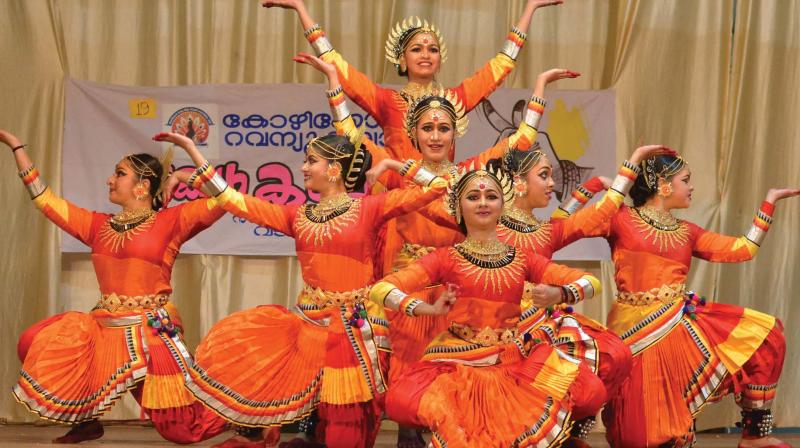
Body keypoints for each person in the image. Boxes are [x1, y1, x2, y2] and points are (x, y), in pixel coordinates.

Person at [173, 127, 449, 448]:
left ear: (334, 169)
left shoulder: (369, 208)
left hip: (353, 335)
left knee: (349, 430)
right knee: (312, 417)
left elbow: (439, 185)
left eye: (311, 161)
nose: (303, 168)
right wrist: (194, 152)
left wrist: (392, 165)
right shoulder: (297, 216)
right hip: (308, 329)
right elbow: (234, 200)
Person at [3, 129, 228, 444]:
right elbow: (45, 200)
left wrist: (186, 175)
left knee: (182, 431)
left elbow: (225, 198)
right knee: (33, 341)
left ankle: (249, 416)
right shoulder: (98, 226)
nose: (110, 180)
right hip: (103, 331)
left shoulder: (172, 222)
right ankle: (86, 421)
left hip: (148, 335)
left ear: (142, 186)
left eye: (119, 174)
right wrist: (16, 146)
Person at [370, 164, 607, 447]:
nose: (482, 202)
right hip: (459, 364)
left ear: (503, 204)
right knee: (402, 401)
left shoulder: (522, 259)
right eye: (473, 197)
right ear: (458, 208)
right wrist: (426, 309)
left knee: (589, 390)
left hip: (510, 360)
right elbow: (382, 289)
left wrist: (561, 294)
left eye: (491, 196)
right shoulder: (447, 258)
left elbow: (591, 283)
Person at [600, 153, 799, 448]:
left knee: (768, 337)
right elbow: (568, 226)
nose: (691, 188)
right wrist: (605, 185)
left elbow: (742, 249)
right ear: (663, 185)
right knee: (642, 437)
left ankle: (755, 436)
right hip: (637, 333)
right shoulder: (621, 220)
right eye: (686, 181)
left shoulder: (687, 232)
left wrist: (769, 202)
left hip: (677, 328)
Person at [265, 0, 564, 161]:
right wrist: (301, 9)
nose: (425, 54)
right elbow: (338, 67)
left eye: (432, 49)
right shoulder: (385, 100)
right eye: (417, 49)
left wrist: (529, 9)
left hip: (443, 197)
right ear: (401, 59)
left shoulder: (453, 100)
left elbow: (500, 66)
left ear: (440, 58)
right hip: (396, 201)